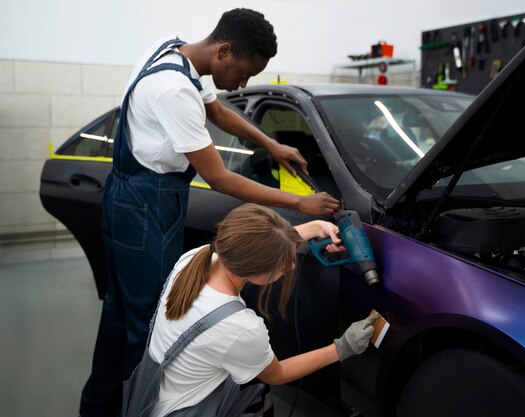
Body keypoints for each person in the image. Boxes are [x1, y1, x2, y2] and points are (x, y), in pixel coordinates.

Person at [80, 8, 339, 417]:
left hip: (129, 197)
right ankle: (137, 407)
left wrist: (270, 145)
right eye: (243, 72)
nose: (243, 83)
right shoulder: (173, 90)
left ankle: (96, 407)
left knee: (119, 311)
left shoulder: (172, 54)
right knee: (143, 325)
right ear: (224, 50)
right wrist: (299, 204)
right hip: (147, 205)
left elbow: (217, 111)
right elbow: (218, 178)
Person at [123, 204, 378, 417]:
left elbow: (256, 244)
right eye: (282, 265)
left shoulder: (195, 258)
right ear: (257, 272)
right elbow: (277, 374)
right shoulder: (239, 327)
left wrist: (314, 228)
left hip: (152, 395)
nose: (290, 266)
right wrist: (341, 348)